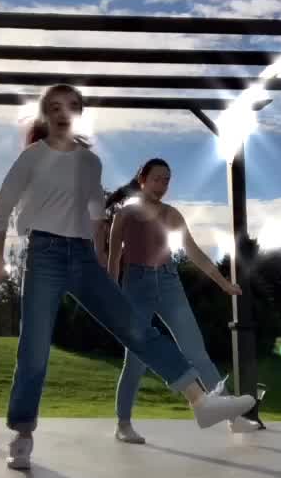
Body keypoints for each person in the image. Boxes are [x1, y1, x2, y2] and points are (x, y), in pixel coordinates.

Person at [0, 83, 254, 471]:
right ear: (45, 114)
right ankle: (23, 434)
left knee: (138, 329)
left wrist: (100, 259)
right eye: (55, 107)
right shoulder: (33, 156)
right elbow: (2, 205)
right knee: (34, 348)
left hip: (82, 257)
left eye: (72, 106)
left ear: (79, 114)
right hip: (43, 256)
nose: (63, 113)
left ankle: (201, 402)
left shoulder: (89, 162)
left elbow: (97, 214)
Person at [107, 158, 258, 444]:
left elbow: (194, 253)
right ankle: (123, 424)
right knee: (135, 360)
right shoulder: (124, 215)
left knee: (197, 352)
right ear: (142, 180)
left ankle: (232, 418)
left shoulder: (172, 214)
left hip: (169, 284)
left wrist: (224, 284)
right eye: (157, 179)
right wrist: (111, 297)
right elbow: (114, 259)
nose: (162, 185)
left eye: (167, 180)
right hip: (135, 286)